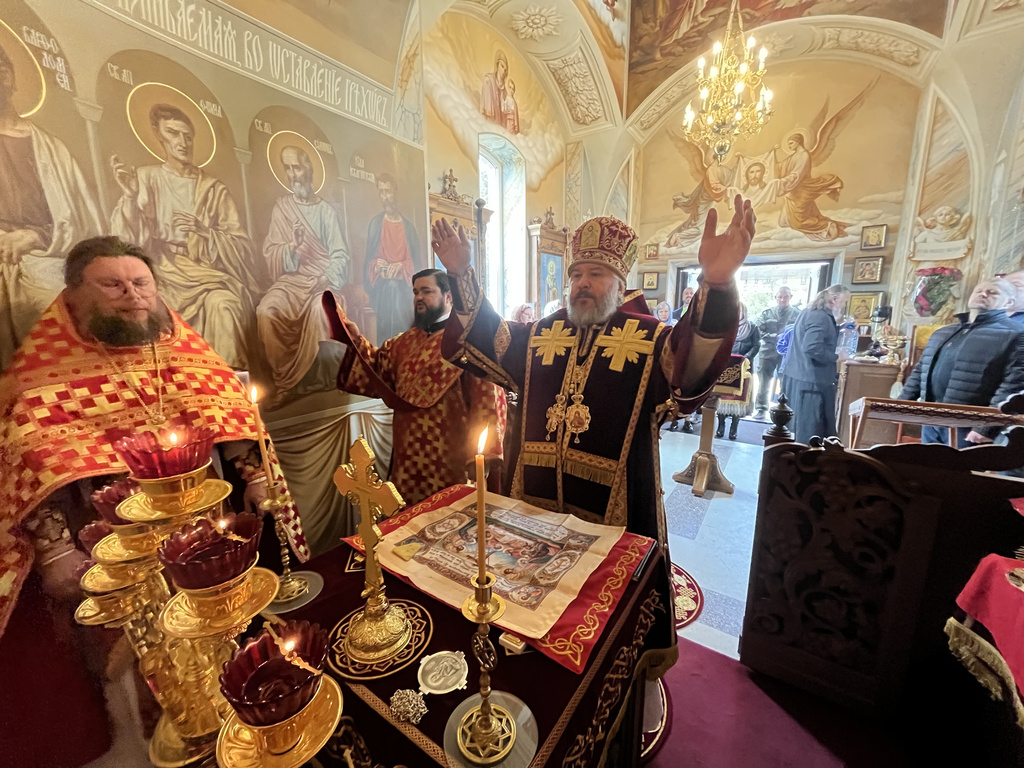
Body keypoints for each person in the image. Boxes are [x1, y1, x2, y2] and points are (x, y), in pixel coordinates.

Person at [432, 197, 752, 730]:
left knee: (616, 619)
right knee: (536, 608)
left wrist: (716, 285)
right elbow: (487, 337)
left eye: (597, 274)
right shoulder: (541, 335)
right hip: (535, 511)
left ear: (620, 282)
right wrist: (462, 274)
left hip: (618, 512)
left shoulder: (650, 340)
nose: (583, 283)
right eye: (577, 273)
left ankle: (631, 697)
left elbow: (694, 365)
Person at [0, 236, 309, 767]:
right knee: (141, 656)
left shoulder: (181, 351)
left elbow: (230, 418)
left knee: (222, 624)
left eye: (141, 282)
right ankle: (169, 745)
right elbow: (30, 459)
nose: (132, 294)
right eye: (112, 284)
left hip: (204, 524)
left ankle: (245, 716)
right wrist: (53, 548)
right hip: (111, 537)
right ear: (74, 296)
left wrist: (255, 475)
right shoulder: (46, 369)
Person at [324, 268, 506, 505]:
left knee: (452, 515)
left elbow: (487, 399)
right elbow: (378, 370)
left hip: (451, 456)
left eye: (427, 291)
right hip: (408, 455)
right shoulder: (404, 341)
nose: (419, 297)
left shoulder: (466, 342)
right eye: (416, 292)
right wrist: (356, 339)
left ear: (448, 296)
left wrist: (481, 454)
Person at [110, 103, 257, 370]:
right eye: (173, 133)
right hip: (161, 270)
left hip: (205, 272)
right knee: (149, 311)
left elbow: (241, 244)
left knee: (226, 304)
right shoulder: (146, 178)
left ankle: (229, 383)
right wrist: (131, 197)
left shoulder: (213, 189)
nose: (182, 142)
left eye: (187, 136)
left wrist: (205, 232)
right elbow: (124, 242)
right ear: (159, 135)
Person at [0, 42, 103, 370]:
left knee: (62, 306)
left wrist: (35, 236)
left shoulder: (52, 149)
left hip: (44, 255)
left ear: (8, 76)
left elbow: (84, 223)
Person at [258, 144, 350, 398]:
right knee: (266, 311)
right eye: (288, 169)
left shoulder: (326, 211)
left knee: (320, 310)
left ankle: (324, 382)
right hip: (292, 282)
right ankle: (286, 384)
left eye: (297, 168)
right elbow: (271, 253)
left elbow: (340, 255)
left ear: (308, 169)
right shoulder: (282, 208)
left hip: (322, 281)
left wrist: (324, 277)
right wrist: (292, 246)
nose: (293, 175)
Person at [899, 278, 1024, 448]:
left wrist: (988, 427)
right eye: (978, 290)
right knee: (927, 464)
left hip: (970, 425)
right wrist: (900, 406)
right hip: (931, 418)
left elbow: (1014, 385)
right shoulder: (943, 333)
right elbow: (921, 370)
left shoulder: (1016, 334)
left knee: (961, 466)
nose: (983, 294)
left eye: (992, 292)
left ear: (1009, 302)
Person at [780, 284, 850, 444]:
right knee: (810, 432)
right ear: (834, 298)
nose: (844, 305)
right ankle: (806, 459)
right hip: (810, 383)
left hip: (801, 377)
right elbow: (812, 347)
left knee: (800, 429)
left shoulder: (809, 312)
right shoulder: (820, 316)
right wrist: (836, 357)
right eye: (844, 301)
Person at [363, 173, 420, 343]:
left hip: (405, 287)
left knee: (395, 288)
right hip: (381, 288)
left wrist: (402, 266)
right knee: (391, 287)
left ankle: (398, 343)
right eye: (381, 192)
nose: (385, 197)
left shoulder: (409, 228)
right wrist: (376, 265)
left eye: (388, 191)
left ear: (395, 191)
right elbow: (368, 262)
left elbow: (416, 265)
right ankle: (391, 344)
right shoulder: (375, 224)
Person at [716, 303, 761, 440]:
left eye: (740, 310)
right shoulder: (726, 326)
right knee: (723, 397)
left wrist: (746, 357)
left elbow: (756, 345)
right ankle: (721, 425)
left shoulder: (752, 328)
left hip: (744, 366)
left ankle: (734, 427)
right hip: (727, 366)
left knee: (739, 397)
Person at [754, 286, 800, 417]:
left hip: (786, 354)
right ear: (775, 298)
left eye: (785, 297)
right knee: (763, 381)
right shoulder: (767, 313)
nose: (782, 299)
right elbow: (758, 330)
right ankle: (761, 408)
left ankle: (784, 410)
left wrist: (786, 338)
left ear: (790, 297)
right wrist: (774, 337)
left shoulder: (797, 314)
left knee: (785, 381)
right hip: (767, 352)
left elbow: (800, 332)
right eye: (780, 297)